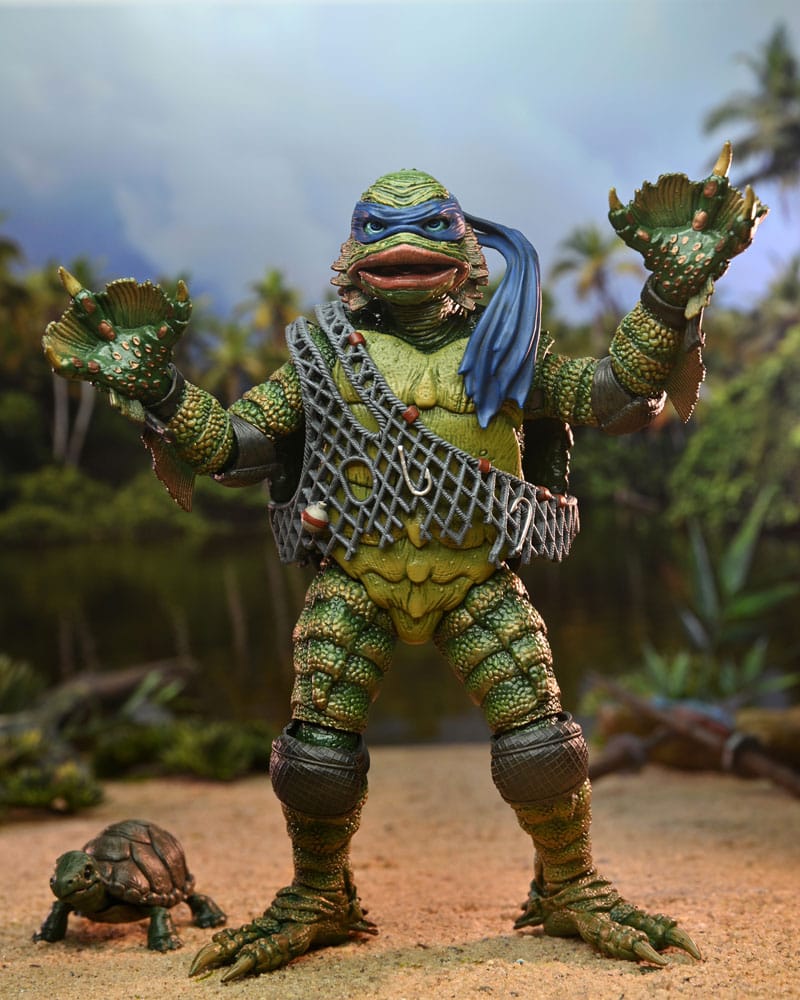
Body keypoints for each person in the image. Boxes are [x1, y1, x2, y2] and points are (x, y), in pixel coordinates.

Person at [43, 146, 765, 980]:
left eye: (431, 229)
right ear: (354, 255)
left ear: (467, 250)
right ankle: (320, 894)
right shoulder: (321, 359)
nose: (405, 247)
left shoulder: (507, 348)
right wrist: (160, 389)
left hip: (474, 577)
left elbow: (612, 394)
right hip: (356, 577)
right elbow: (235, 447)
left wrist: (670, 290)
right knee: (314, 757)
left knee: (542, 745)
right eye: (379, 230)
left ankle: (570, 885)